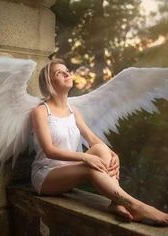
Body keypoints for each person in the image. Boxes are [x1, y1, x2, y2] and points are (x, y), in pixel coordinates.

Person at [30, 58, 168, 225]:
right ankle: (136, 205)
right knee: (90, 166)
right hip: (46, 176)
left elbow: (93, 139)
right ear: (49, 82)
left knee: (102, 150)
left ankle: (116, 203)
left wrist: (111, 153)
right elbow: (49, 150)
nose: (67, 73)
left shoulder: (74, 111)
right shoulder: (41, 111)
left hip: (69, 172)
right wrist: (85, 157)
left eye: (67, 70)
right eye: (59, 72)